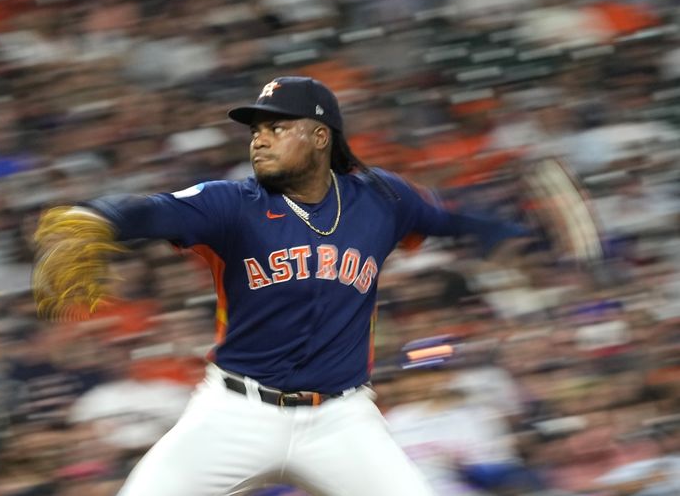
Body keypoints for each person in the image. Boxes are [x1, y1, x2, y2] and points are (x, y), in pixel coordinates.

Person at [33, 76, 526, 496]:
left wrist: (506, 232)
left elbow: (443, 220)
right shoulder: (232, 203)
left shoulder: (382, 198)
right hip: (234, 412)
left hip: (340, 418)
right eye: (256, 130)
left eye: (276, 127)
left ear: (319, 136)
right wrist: (93, 215)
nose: (258, 140)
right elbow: (152, 209)